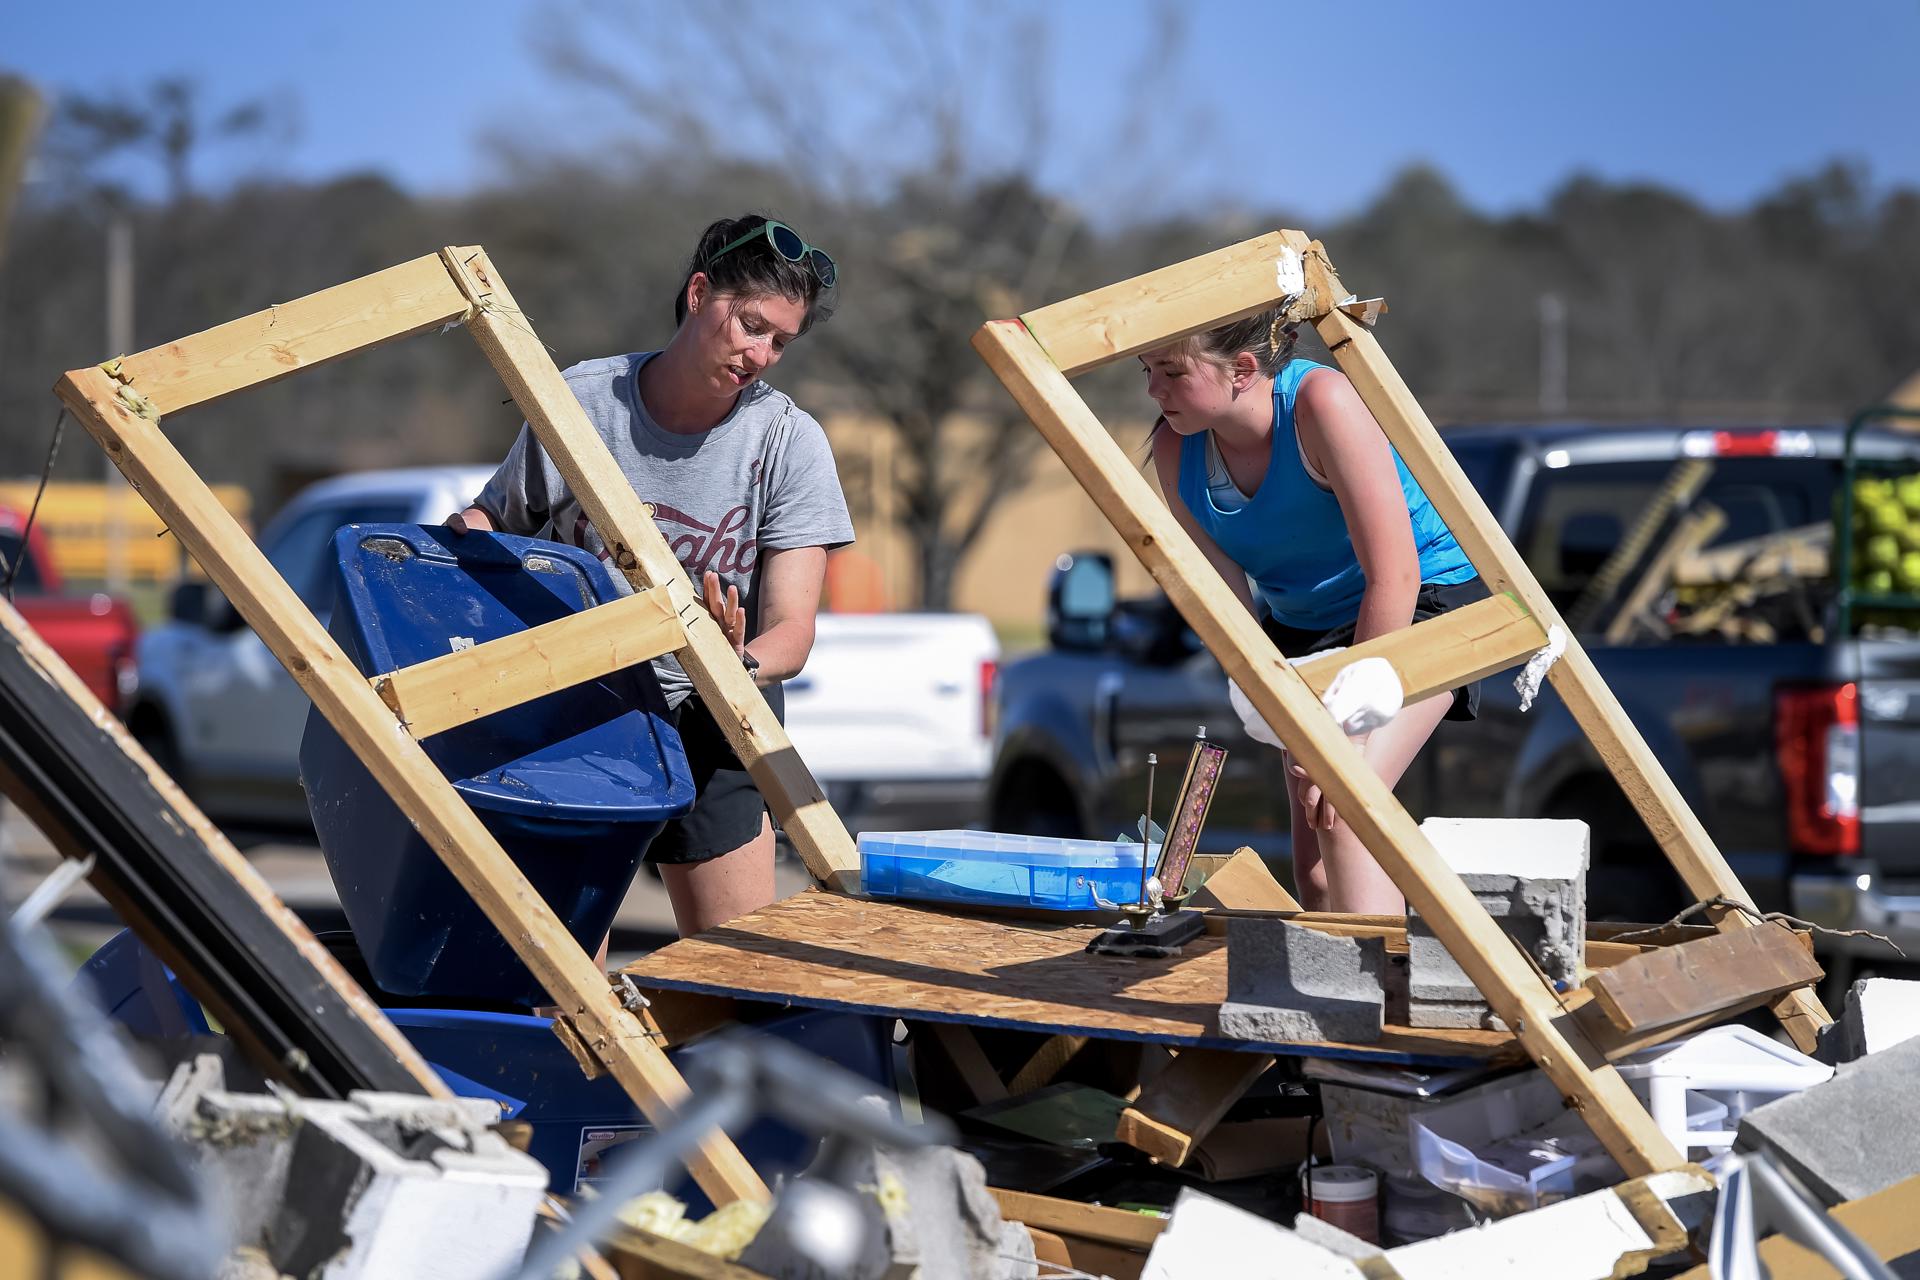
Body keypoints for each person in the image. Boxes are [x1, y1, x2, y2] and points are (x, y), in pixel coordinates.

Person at [449, 214, 853, 939]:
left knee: (733, 968)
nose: (760, 354)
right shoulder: (581, 403)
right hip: (580, 708)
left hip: (717, 713)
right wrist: (448, 556)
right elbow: (493, 521)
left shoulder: (789, 440)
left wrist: (735, 663)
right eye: (751, 325)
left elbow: (792, 633)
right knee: (567, 975)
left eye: (780, 342)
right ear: (699, 294)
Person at [1142, 310, 1483, 914]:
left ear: (1242, 369)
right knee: (1319, 877)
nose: (1152, 390)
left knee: (1345, 802)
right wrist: (1263, 690)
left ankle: (1393, 973)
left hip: (1419, 605)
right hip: (1303, 628)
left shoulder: (1322, 403)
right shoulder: (1176, 446)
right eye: (1146, 371)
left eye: (1171, 372)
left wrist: (1349, 730)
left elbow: (1394, 573)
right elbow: (1226, 598)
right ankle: (1360, 962)